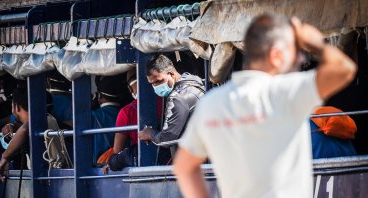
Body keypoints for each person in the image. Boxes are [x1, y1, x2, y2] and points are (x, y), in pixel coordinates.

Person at [173, 13, 356, 198]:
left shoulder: (210, 104)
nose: (301, 60)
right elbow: (344, 69)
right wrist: (315, 42)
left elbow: (184, 167)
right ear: (276, 56)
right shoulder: (286, 94)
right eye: (296, 53)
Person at [139, 54, 205, 156]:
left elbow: (167, 139)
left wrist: (150, 134)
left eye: (159, 81)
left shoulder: (177, 97)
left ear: (171, 74)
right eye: (152, 84)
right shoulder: (196, 84)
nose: (156, 86)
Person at [0, 88, 59, 181]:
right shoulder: (48, 118)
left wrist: (5, 157)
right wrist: (12, 125)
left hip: (52, 178)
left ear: (16, 107)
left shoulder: (38, 121)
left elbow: (25, 128)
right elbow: (24, 127)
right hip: (54, 175)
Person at [92, 75, 128, 166]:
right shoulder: (127, 113)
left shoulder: (93, 115)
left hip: (100, 164)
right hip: (123, 162)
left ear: (99, 96)